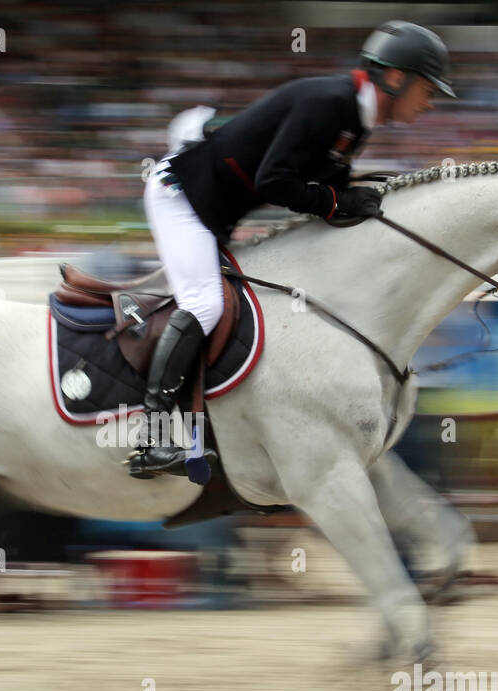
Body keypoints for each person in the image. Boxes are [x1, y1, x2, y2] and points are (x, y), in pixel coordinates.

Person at [129, 20, 456, 478]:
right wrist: (336, 201)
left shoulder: (355, 119)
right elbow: (275, 181)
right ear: (395, 78)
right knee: (204, 303)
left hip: (214, 209)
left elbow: (324, 180)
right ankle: (152, 436)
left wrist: (359, 195)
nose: (430, 103)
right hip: (180, 196)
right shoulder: (330, 104)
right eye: (428, 89)